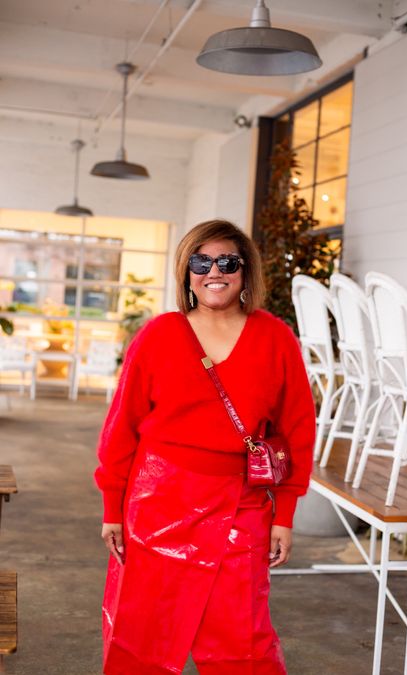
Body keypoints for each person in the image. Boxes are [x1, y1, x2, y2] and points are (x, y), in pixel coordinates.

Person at [95, 219, 316, 675]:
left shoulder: (275, 338)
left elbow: (298, 429)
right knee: (142, 630)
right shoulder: (158, 335)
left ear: (244, 271)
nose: (214, 271)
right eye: (201, 261)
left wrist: (285, 514)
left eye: (227, 261)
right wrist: (112, 507)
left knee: (242, 635)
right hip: (158, 501)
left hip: (241, 503)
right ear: (186, 271)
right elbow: (122, 428)